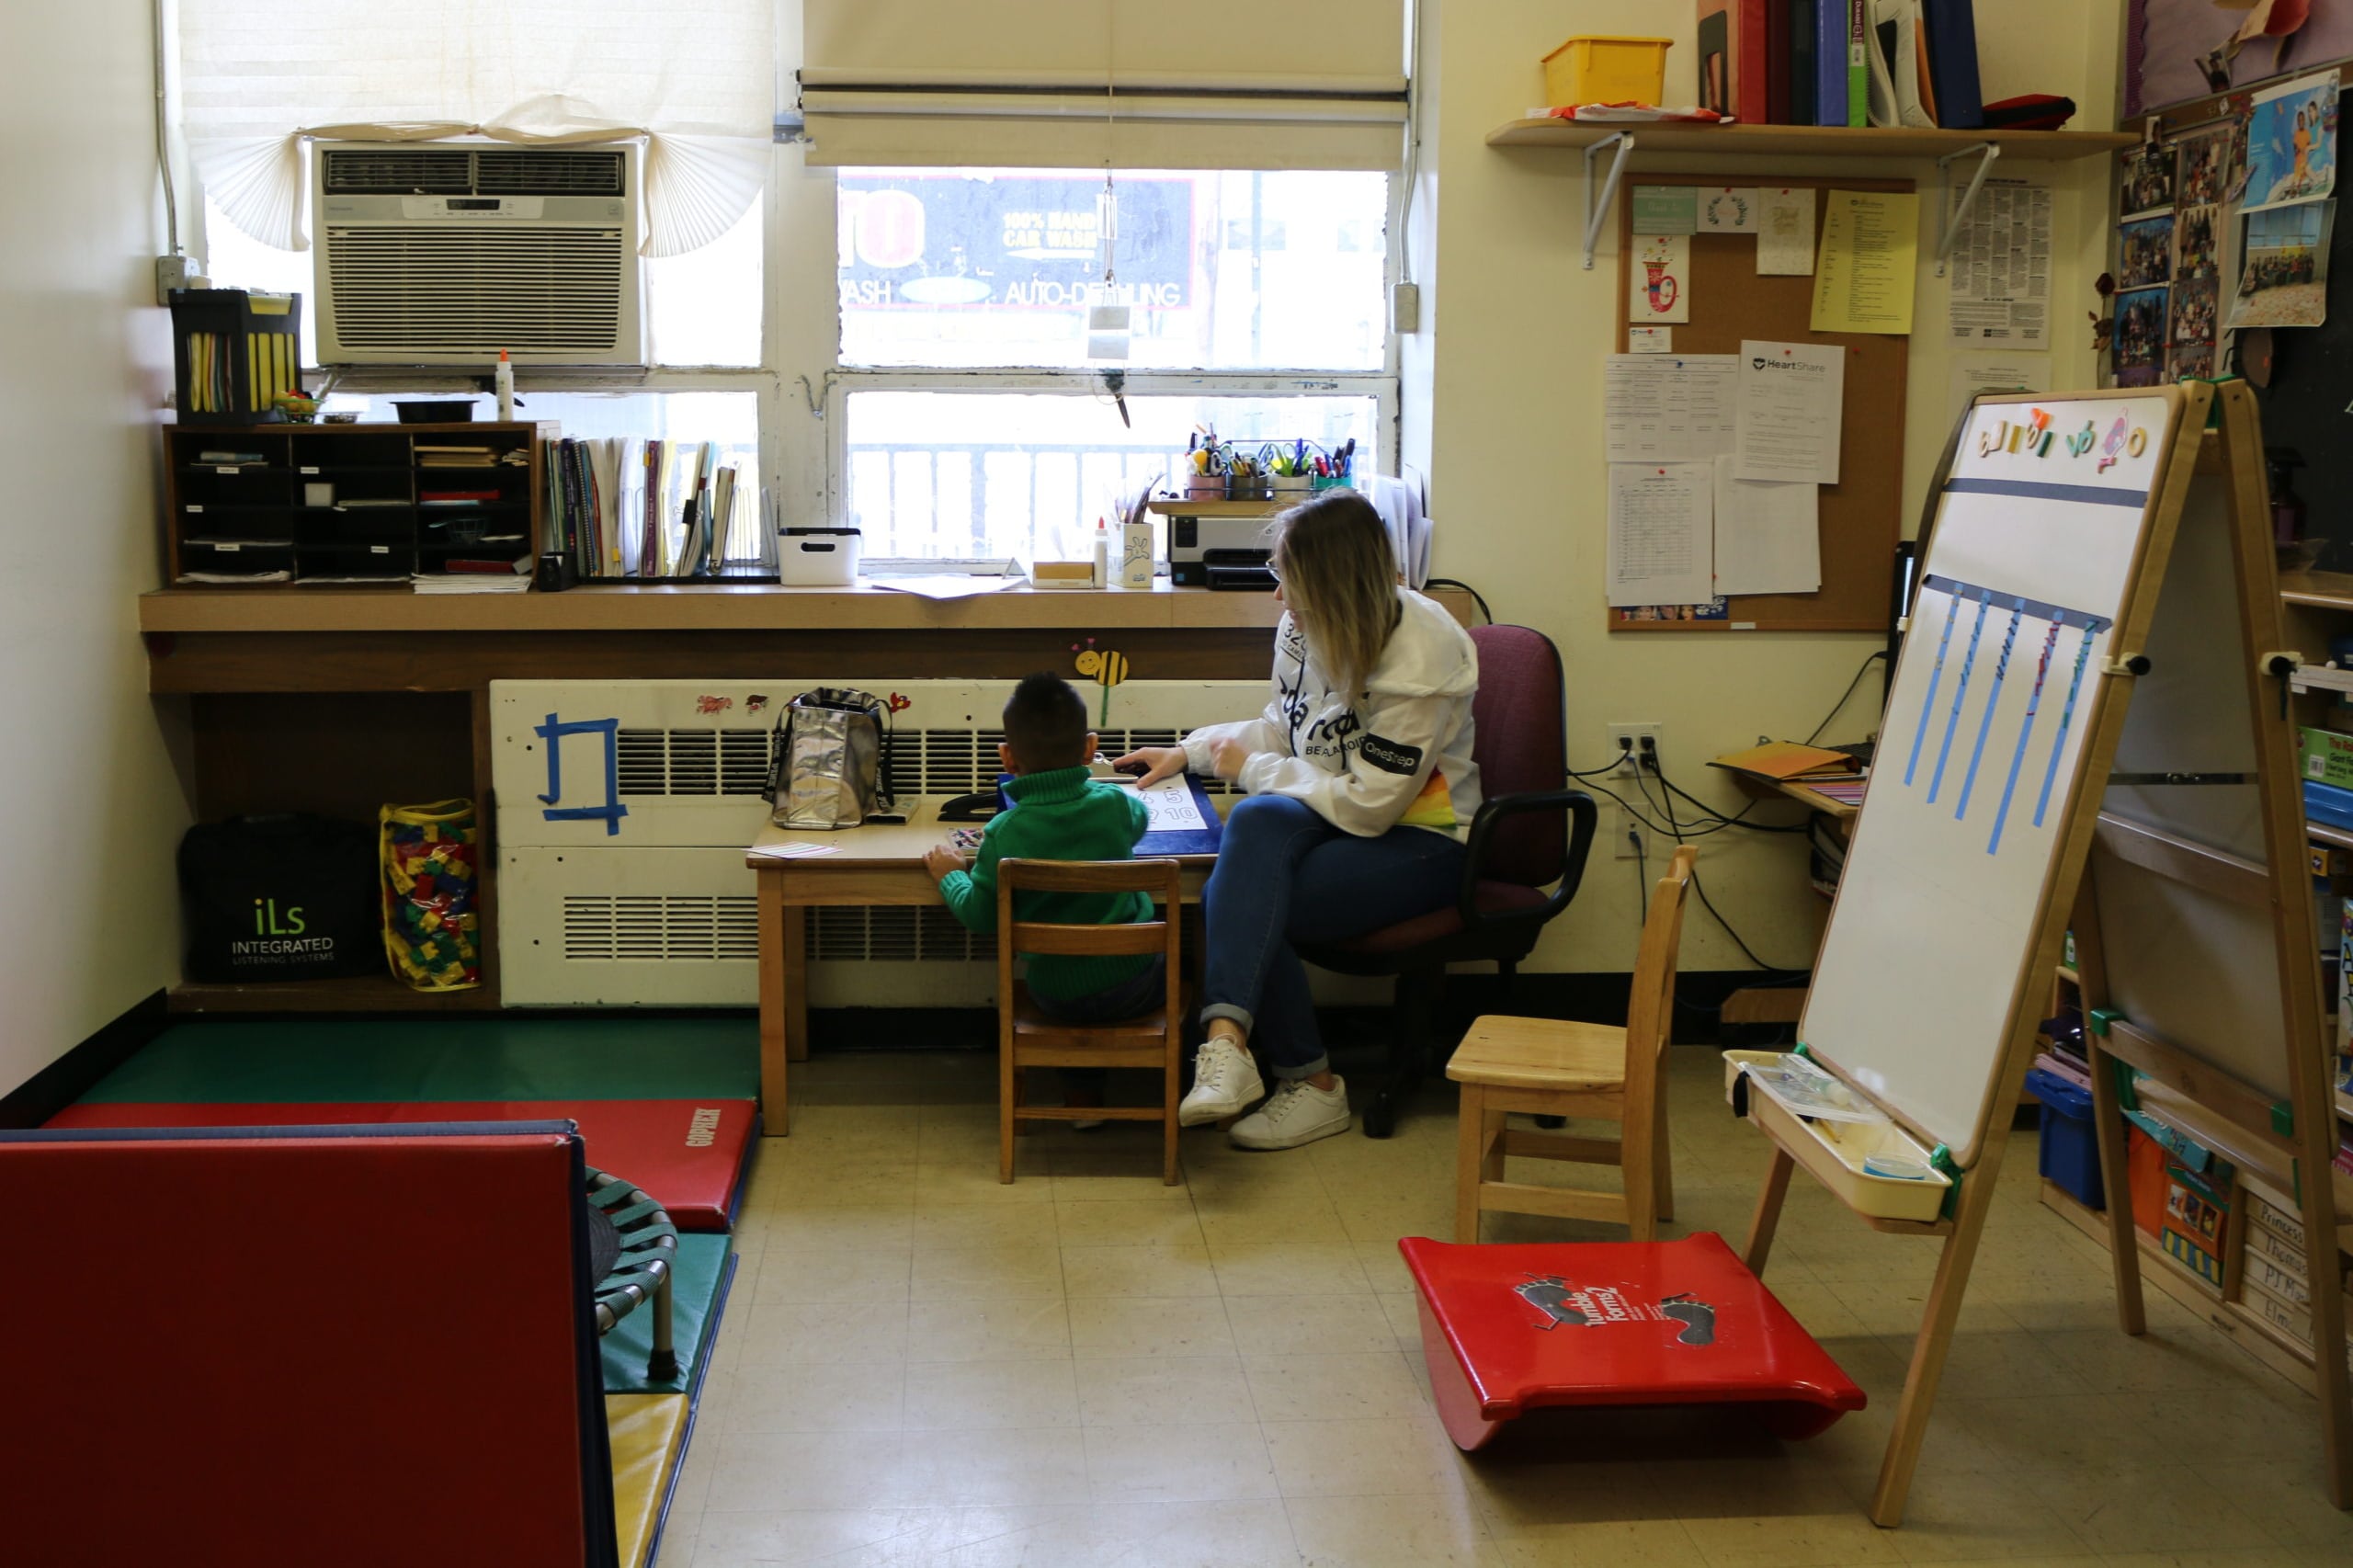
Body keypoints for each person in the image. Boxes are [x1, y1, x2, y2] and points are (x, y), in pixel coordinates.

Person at [1116, 491, 1481, 1151]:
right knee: (1254, 834)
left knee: (1252, 902)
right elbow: (1285, 733)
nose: (1280, 598)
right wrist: (1190, 751)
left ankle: (1306, 1083)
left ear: (1334, 589)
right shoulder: (1305, 627)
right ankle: (1230, 1049)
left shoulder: (1422, 658)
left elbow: (1372, 807)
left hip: (1422, 838)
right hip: (1338, 811)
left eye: (1291, 582)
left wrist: (1249, 769)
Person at [925, 673, 1159, 1128]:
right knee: (1187, 964)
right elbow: (1141, 818)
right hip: (1135, 984)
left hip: (1055, 993)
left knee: (1072, 987)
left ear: (1007, 757)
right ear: (1090, 748)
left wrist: (951, 876)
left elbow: (980, 914)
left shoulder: (1005, 832)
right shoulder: (1113, 804)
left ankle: (1082, 1101)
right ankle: (1191, 1080)